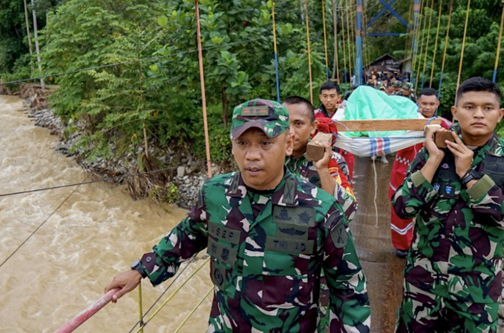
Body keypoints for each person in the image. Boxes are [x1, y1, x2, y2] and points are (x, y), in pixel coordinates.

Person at [105, 99, 371, 333]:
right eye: (243, 143)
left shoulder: (320, 208)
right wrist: (140, 270)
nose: (252, 155)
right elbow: (187, 235)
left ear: (288, 144)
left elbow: (348, 286)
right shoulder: (215, 194)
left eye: (265, 143)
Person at [392, 77, 504, 332]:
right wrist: (434, 159)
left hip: (476, 291)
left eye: (488, 108)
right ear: (455, 112)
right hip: (423, 285)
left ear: (500, 114)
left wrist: (469, 176)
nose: (479, 114)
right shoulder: (431, 151)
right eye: (469, 107)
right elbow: (403, 207)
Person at [282, 95, 359, 330]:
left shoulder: (330, 160)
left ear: (313, 127)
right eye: (285, 124)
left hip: (317, 262)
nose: (291, 131)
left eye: (298, 123)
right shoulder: (273, 159)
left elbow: (347, 212)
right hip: (282, 259)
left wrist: (323, 170)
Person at [389, 88, 451, 258]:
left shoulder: (444, 125)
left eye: (432, 104)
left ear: (437, 104)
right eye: (424, 103)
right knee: (400, 204)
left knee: (432, 208)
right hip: (403, 169)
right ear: (418, 103)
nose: (428, 107)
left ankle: (427, 243)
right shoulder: (406, 121)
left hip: (432, 173)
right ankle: (402, 245)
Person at [316, 81, 356, 180]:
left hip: (344, 155)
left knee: (344, 186)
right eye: (325, 96)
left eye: (332, 96)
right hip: (321, 157)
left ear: (339, 97)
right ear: (320, 97)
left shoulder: (347, 115)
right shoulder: (314, 116)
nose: (328, 100)